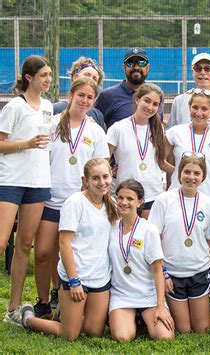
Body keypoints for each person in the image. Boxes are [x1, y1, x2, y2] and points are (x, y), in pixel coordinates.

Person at [34, 77, 109, 319]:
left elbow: (101, 166)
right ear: (71, 95)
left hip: (80, 203)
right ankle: (42, 301)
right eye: (81, 95)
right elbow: (38, 159)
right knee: (44, 252)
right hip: (51, 199)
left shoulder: (96, 131)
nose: (85, 101)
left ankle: (60, 294)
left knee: (70, 251)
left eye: (90, 97)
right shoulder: (52, 124)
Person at [21, 158, 120, 340]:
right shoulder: (74, 203)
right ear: (85, 180)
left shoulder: (112, 204)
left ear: (111, 176)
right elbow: (64, 243)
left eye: (105, 177)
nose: (101, 182)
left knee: (94, 331)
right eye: (95, 178)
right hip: (76, 275)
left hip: (100, 277)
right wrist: (74, 280)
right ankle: (28, 318)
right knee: (70, 334)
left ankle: (67, 315)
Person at [0, 55, 53, 326]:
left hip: (38, 182)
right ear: (29, 77)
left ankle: (12, 309)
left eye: (50, 75)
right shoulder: (15, 106)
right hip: (10, 181)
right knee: (1, 243)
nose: (48, 79)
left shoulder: (47, 106)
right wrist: (26, 144)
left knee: (23, 246)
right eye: (43, 75)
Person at [149, 153, 210, 333]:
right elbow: (154, 239)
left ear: (203, 177)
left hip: (199, 271)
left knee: (202, 329)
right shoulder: (164, 200)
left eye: (196, 173)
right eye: (187, 172)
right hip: (172, 274)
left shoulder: (209, 204)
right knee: (183, 330)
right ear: (180, 173)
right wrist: (163, 273)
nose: (191, 177)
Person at [108, 179, 174, 341]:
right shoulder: (111, 227)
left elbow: (158, 269)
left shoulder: (149, 229)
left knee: (164, 337)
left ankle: (143, 317)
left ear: (140, 202)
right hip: (121, 294)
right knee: (122, 337)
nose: (124, 202)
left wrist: (160, 305)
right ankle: (135, 319)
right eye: (120, 198)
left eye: (130, 199)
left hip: (148, 295)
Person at [107, 83, 172, 219]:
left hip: (152, 193)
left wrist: (181, 170)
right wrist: (109, 172)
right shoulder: (118, 128)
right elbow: (104, 160)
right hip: (126, 195)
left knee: (148, 237)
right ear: (137, 100)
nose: (150, 107)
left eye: (155, 104)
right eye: (147, 101)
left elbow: (160, 162)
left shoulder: (158, 128)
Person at [165, 88, 210, 200]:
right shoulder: (175, 132)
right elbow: (159, 161)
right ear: (189, 108)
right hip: (178, 197)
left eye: (204, 109)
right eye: (195, 107)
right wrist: (178, 170)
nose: (199, 113)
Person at [95, 47, 151, 129]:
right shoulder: (107, 96)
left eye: (141, 63)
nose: (136, 67)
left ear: (147, 67)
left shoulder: (156, 96)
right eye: (130, 63)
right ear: (124, 67)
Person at [53, 56, 106, 131]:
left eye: (94, 78)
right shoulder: (55, 109)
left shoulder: (97, 116)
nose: (90, 79)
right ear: (75, 77)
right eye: (87, 75)